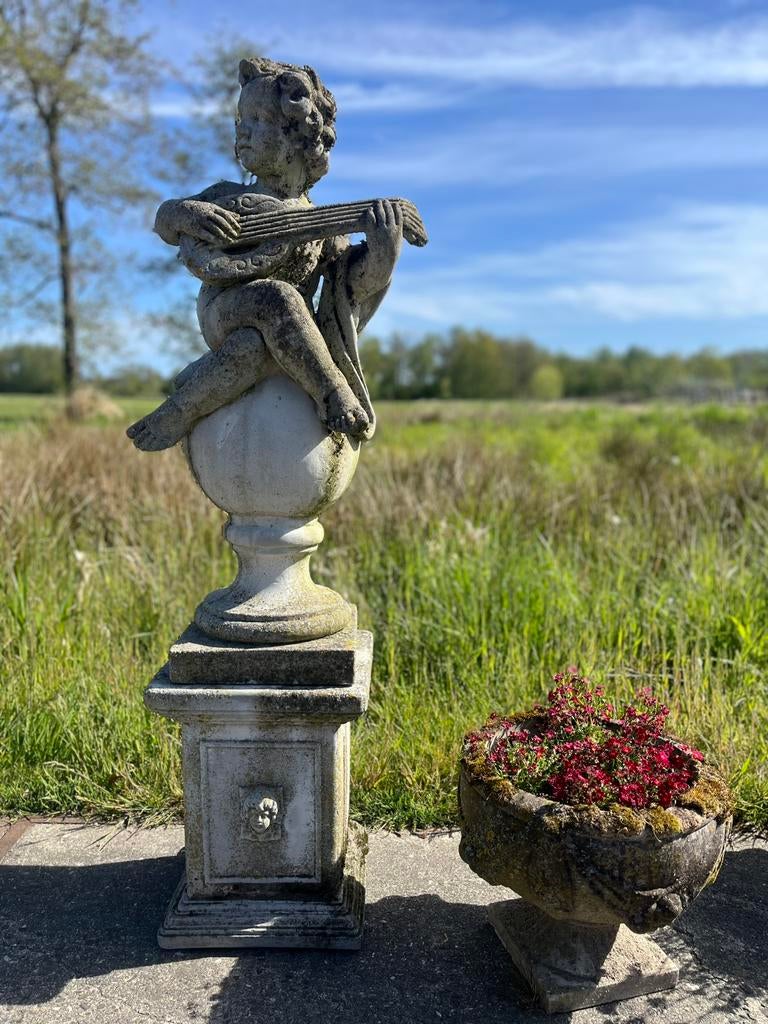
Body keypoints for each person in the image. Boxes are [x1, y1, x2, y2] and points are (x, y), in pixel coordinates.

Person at [127, 57, 403, 451]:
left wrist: (384, 252)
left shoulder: (318, 222)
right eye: (242, 120)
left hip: (290, 335)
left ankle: (182, 405)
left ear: (299, 138)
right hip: (223, 309)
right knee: (277, 296)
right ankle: (331, 393)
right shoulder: (227, 195)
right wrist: (187, 213)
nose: (244, 130)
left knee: (250, 350)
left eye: (259, 120)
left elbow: (351, 285)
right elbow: (165, 222)